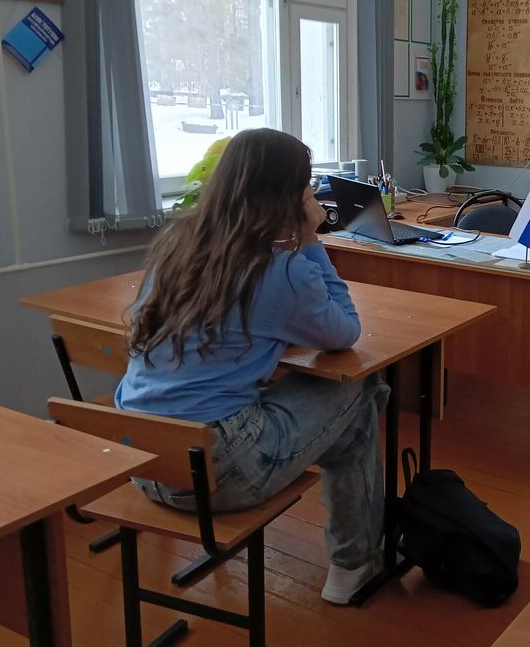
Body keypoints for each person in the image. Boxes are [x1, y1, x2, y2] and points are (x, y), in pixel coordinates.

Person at [116, 128, 388, 604]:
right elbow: (345, 331)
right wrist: (311, 239)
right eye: (307, 189)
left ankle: (356, 557)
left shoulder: (175, 245)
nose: (312, 198)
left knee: (345, 417)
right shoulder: (282, 268)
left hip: (145, 461)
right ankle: (354, 562)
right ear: (287, 197)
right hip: (219, 473)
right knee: (361, 388)